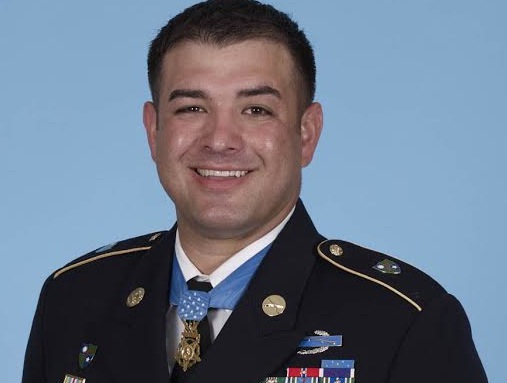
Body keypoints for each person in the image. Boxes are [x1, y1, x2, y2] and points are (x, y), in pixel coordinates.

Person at [22, 1, 487, 382]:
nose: (220, 139)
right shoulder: (74, 301)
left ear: (306, 134)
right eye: (191, 108)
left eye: (257, 110)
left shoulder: (403, 321)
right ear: (153, 130)